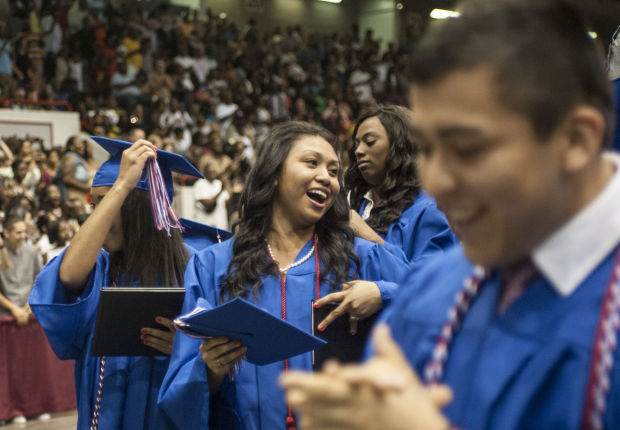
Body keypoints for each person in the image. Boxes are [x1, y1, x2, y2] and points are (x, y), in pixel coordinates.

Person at [281, 1, 620, 429]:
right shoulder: (433, 294)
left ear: (576, 141)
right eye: (429, 150)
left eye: (467, 149)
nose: (437, 182)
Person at [158, 122, 410, 429]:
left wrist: (382, 292)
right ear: (275, 173)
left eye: (333, 171)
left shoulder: (360, 258)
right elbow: (181, 389)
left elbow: (439, 298)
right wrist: (210, 368)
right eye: (312, 163)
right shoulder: (213, 265)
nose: (326, 177)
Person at [29, 137, 204, 430]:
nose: (100, 213)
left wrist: (187, 349)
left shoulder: (196, 267)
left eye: (109, 201)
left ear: (140, 208)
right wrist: (121, 185)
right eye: (94, 203)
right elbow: (69, 276)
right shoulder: (99, 266)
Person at [345, 104, 456, 262]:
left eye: (370, 142)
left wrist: (371, 238)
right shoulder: (356, 203)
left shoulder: (430, 210)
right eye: (356, 144)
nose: (358, 150)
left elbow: (432, 281)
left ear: (399, 146)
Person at [0, 216, 33, 324]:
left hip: (29, 311)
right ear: (6, 233)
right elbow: (5, 265)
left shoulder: (31, 251)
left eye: (24, 232)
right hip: (5, 315)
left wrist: (31, 301)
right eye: (18, 233)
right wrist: (13, 308)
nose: (23, 236)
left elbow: (37, 278)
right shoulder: (2, 251)